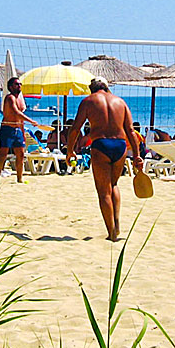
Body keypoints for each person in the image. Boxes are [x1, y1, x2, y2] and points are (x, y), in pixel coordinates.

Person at [66, 77, 142, 242]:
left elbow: (75, 129)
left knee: (103, 191)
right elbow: (130, 130)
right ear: (107, 87)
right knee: (114, 185)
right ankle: (117, 223)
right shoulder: (120, 102)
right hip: (120, 146)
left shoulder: (88, 101)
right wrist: (137, 155)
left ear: (91, 88)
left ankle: (111, 233)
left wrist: (70, 151)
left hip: (101, 145)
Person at [0, 77, 38, 183]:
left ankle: (19, 179)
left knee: (21, 154)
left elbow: (19, 118)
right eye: (16, 84)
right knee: (3, 154)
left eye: (20, 84)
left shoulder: (20, 99)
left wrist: (23, 132)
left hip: (17, 129)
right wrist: (31, 121)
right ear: (10, 87)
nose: (19, 86)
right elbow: (16, 113)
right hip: (7, 129)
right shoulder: (9, 98)